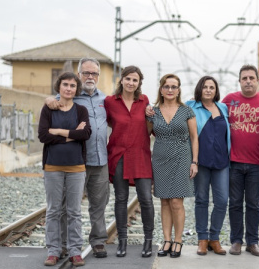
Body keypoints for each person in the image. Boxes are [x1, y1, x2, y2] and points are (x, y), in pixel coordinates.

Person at [45, 58, 110, 259]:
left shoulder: (105, 100)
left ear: (98, 76)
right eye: (86, 73)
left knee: (99, 204)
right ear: (79, 74)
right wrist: (48, 99)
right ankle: (63, 245)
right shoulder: (66, 97)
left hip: (100, 160)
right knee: (67, 206)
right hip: (76, 161)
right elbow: (50, 111)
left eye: (94, 73)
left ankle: (98, 241)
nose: (90, 77)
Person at [221, 64, 259, 256]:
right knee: (235, 202)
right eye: (244, 78)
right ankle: (236, 240)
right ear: (240, 81)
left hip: (255, 163)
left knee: (253, 203)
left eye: (251, 78)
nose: (248, 81)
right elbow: (211, 112)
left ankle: (252, 242)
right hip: (233, 162)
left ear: (257, 80)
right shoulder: (229, 100)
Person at [38, 72, 91, 267]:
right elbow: (43, 135)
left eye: (72, 85)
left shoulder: (81, 110)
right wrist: (71, 135)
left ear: (77, 89)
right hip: (52, 166)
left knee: (74, 211)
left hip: (76, 167)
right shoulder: (49, 109)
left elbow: (85, 133)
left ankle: (75, 251)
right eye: (65, 85)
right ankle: (53, 250)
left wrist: (58, 131)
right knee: (53, 210)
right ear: (58, 87)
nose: (69, 88)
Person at [104, 65, 155, 258]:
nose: (131, 83)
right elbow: (106, 122)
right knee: (121, 199)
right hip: (118, 156)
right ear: (121, 80)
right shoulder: (110, 101)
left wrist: (152, 117)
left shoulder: (144, 102)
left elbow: (151, 126)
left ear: (139, 83)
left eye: (135, 80)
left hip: (140, 156)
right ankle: (122, 242)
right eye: (128, 79)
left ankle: (148, 241)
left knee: (146, 199)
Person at [147, 73, 198, 258]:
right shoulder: (153, 112)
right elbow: (145, 134)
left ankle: (178, 240)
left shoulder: (186, 111)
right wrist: (146, 116)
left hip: (182, 157)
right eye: (166, 86)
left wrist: (194, 162)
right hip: (160, 159)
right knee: (164, 201)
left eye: (173, 86)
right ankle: (166, 240)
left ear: (178, 89)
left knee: (177, 201)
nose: (170, 90)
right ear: (161, 89)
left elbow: (194, 138)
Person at [185, 76, 230, 256]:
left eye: (212, 87)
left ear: (216, 90)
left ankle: (215, 238)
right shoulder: (190, 106)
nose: (209, 90)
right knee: (201, 200)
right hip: (201, 162)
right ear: (199, 89)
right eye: (205, 87)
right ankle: (202, 239)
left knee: (222, 201)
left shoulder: (223, 108)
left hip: (221, 162)